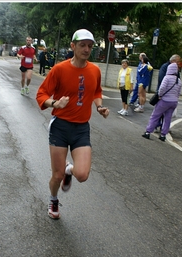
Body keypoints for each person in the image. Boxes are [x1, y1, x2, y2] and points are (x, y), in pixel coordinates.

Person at [36, 29, 109, 219]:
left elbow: (96, 91)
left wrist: (100, 107)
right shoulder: (59, 69)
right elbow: (41, 94)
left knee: (82, 174)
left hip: (81, 129)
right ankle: (53, 199)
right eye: (82, 45)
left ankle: (70, 169)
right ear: (73, 46)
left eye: (90, 46)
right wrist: (55, 103)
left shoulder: (94, 70)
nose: (86, 49)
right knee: (57, 176)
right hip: (60, 126)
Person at [142, 63, 182, 141]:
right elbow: (178, 93)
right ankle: (163, 135)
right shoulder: (179, 80)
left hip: (164, 100)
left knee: (155, 116)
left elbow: (162, 88)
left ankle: (148, 132)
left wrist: (160, 95)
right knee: (167, 118)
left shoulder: (167, 78)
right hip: (173, 102)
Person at [154, 54, 181, 132]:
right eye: (178, 61)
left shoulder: (175, 68)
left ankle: (163, 127)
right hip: (164, 93)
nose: (179, 63)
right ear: (173, 61)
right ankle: (157, 125)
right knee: (159, 111)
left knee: (166, 113)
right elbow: (162, 80)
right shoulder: (165, 67)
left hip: (169, 94)